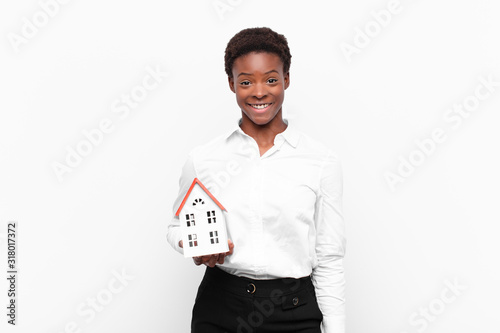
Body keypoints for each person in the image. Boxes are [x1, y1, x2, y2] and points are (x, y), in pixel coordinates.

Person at [167, 27, 346, 333]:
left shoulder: (320, 161)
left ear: (286, 79)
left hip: (295, 311)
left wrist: (336, 329)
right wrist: (191, 243)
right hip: (221, 307)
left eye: (271, 79)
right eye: (246, 81)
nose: (259, 91)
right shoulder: (204, 159)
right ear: (232, 84)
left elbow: (329, 256)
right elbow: (175, 227)